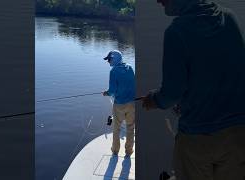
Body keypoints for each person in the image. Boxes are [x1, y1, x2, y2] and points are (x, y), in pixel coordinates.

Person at [142, 0, 245, 179]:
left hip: (197, 139)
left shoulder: (176, 33)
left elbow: (171, 94)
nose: (157, 0)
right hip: (237, 135)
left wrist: (154, 100)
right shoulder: (229, 17)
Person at [102, 50, 136, 157]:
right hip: (132, 103)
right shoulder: (130, 68)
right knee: (130, 127)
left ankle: (115, 151)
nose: (108, 62)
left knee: (116, 128)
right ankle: (129, 151)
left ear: (115, 59)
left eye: (109, 59)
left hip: (119, 105)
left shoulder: (113, 72)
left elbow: (112, 91)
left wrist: (106, 93)